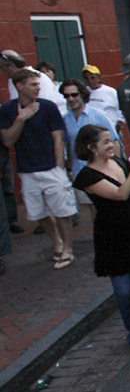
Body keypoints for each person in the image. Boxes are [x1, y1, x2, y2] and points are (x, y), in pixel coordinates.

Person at [72, 125, 130, 357]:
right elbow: (121, 194)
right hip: (113, 239)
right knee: (124, 292)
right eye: (105, 142)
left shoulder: (121, 162)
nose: (111, 145)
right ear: (92, 148)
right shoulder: (87, 176)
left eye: (111, 140)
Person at [0, 67, 76, 269]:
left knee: (63, 211)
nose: (38, 88)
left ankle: (68, 248)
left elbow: (58, 139)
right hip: (27, 170)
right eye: (33, 84)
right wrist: (21, 118)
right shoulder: (7, 110)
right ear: (19, 86)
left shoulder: (48, 107)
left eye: (38, 84)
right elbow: (8, 141)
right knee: (38, 213)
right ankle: (57, 242)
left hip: (51, 168)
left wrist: (59, 167)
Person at [60, 78, 120, 178]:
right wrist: (69, 168)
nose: (71, 98)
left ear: (82, 94)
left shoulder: (99, 115)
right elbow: (70, 144)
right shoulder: (65, 119)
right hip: (78, 172)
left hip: (101, 172)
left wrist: (116, 169)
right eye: (67, 96)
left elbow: (114, 141)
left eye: (74, 95)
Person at [82, 65, 124, 136]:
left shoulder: (111, 92)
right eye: (86, 78)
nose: (89, 80)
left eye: (92, 77)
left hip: (110, 130)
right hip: (92, 132)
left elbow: (121, 110)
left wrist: (118, 126)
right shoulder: (84, 92)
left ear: (99, 78)